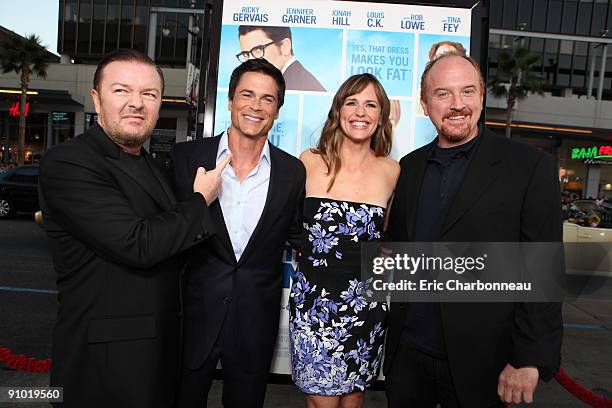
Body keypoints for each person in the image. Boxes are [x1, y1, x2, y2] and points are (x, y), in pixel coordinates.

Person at [38, 49, 224, 408]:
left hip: (158, 358)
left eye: (149, 94)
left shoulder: (153, 165)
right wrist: (201, 200)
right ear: (96, 98)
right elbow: (138, 244)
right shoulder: (69, 163)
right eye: (122, 90)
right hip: (104, 369)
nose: (136, 103)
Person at [384, 53, 563, 407]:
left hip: (485, 363)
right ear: (424, 103)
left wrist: (528, 357)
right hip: (408, 356)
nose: (457, 105)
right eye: (443, 94)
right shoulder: (410, 167)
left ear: (482, 97)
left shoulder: (529, 167)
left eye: (467, 92)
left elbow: (543, 266)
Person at [172, 58, 305, 408]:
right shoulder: (186, 158)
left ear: (277, 110)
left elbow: (301, 234)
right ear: (230, 101)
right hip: (193, 314)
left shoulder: (292, 172)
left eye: (267, 99)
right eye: (247, 95)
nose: (256, 106)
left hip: (254, 319)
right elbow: (165, 230)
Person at [289, 73, 400, 407]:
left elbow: (392, 240)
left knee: (353, 402)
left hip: (366, 306)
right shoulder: (308, 161)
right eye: (352, 102)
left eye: (371, 104)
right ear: (338, 110)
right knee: (321, 402)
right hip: (314, 306)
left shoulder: (392, 171)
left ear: (381, 116)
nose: (360, 112)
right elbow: (288, 226)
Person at [237, 25, 326, 92]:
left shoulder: (300, 88)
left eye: (258, 50)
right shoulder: (293, 80)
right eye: (245, 54)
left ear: (285, 47)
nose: (250, 61)